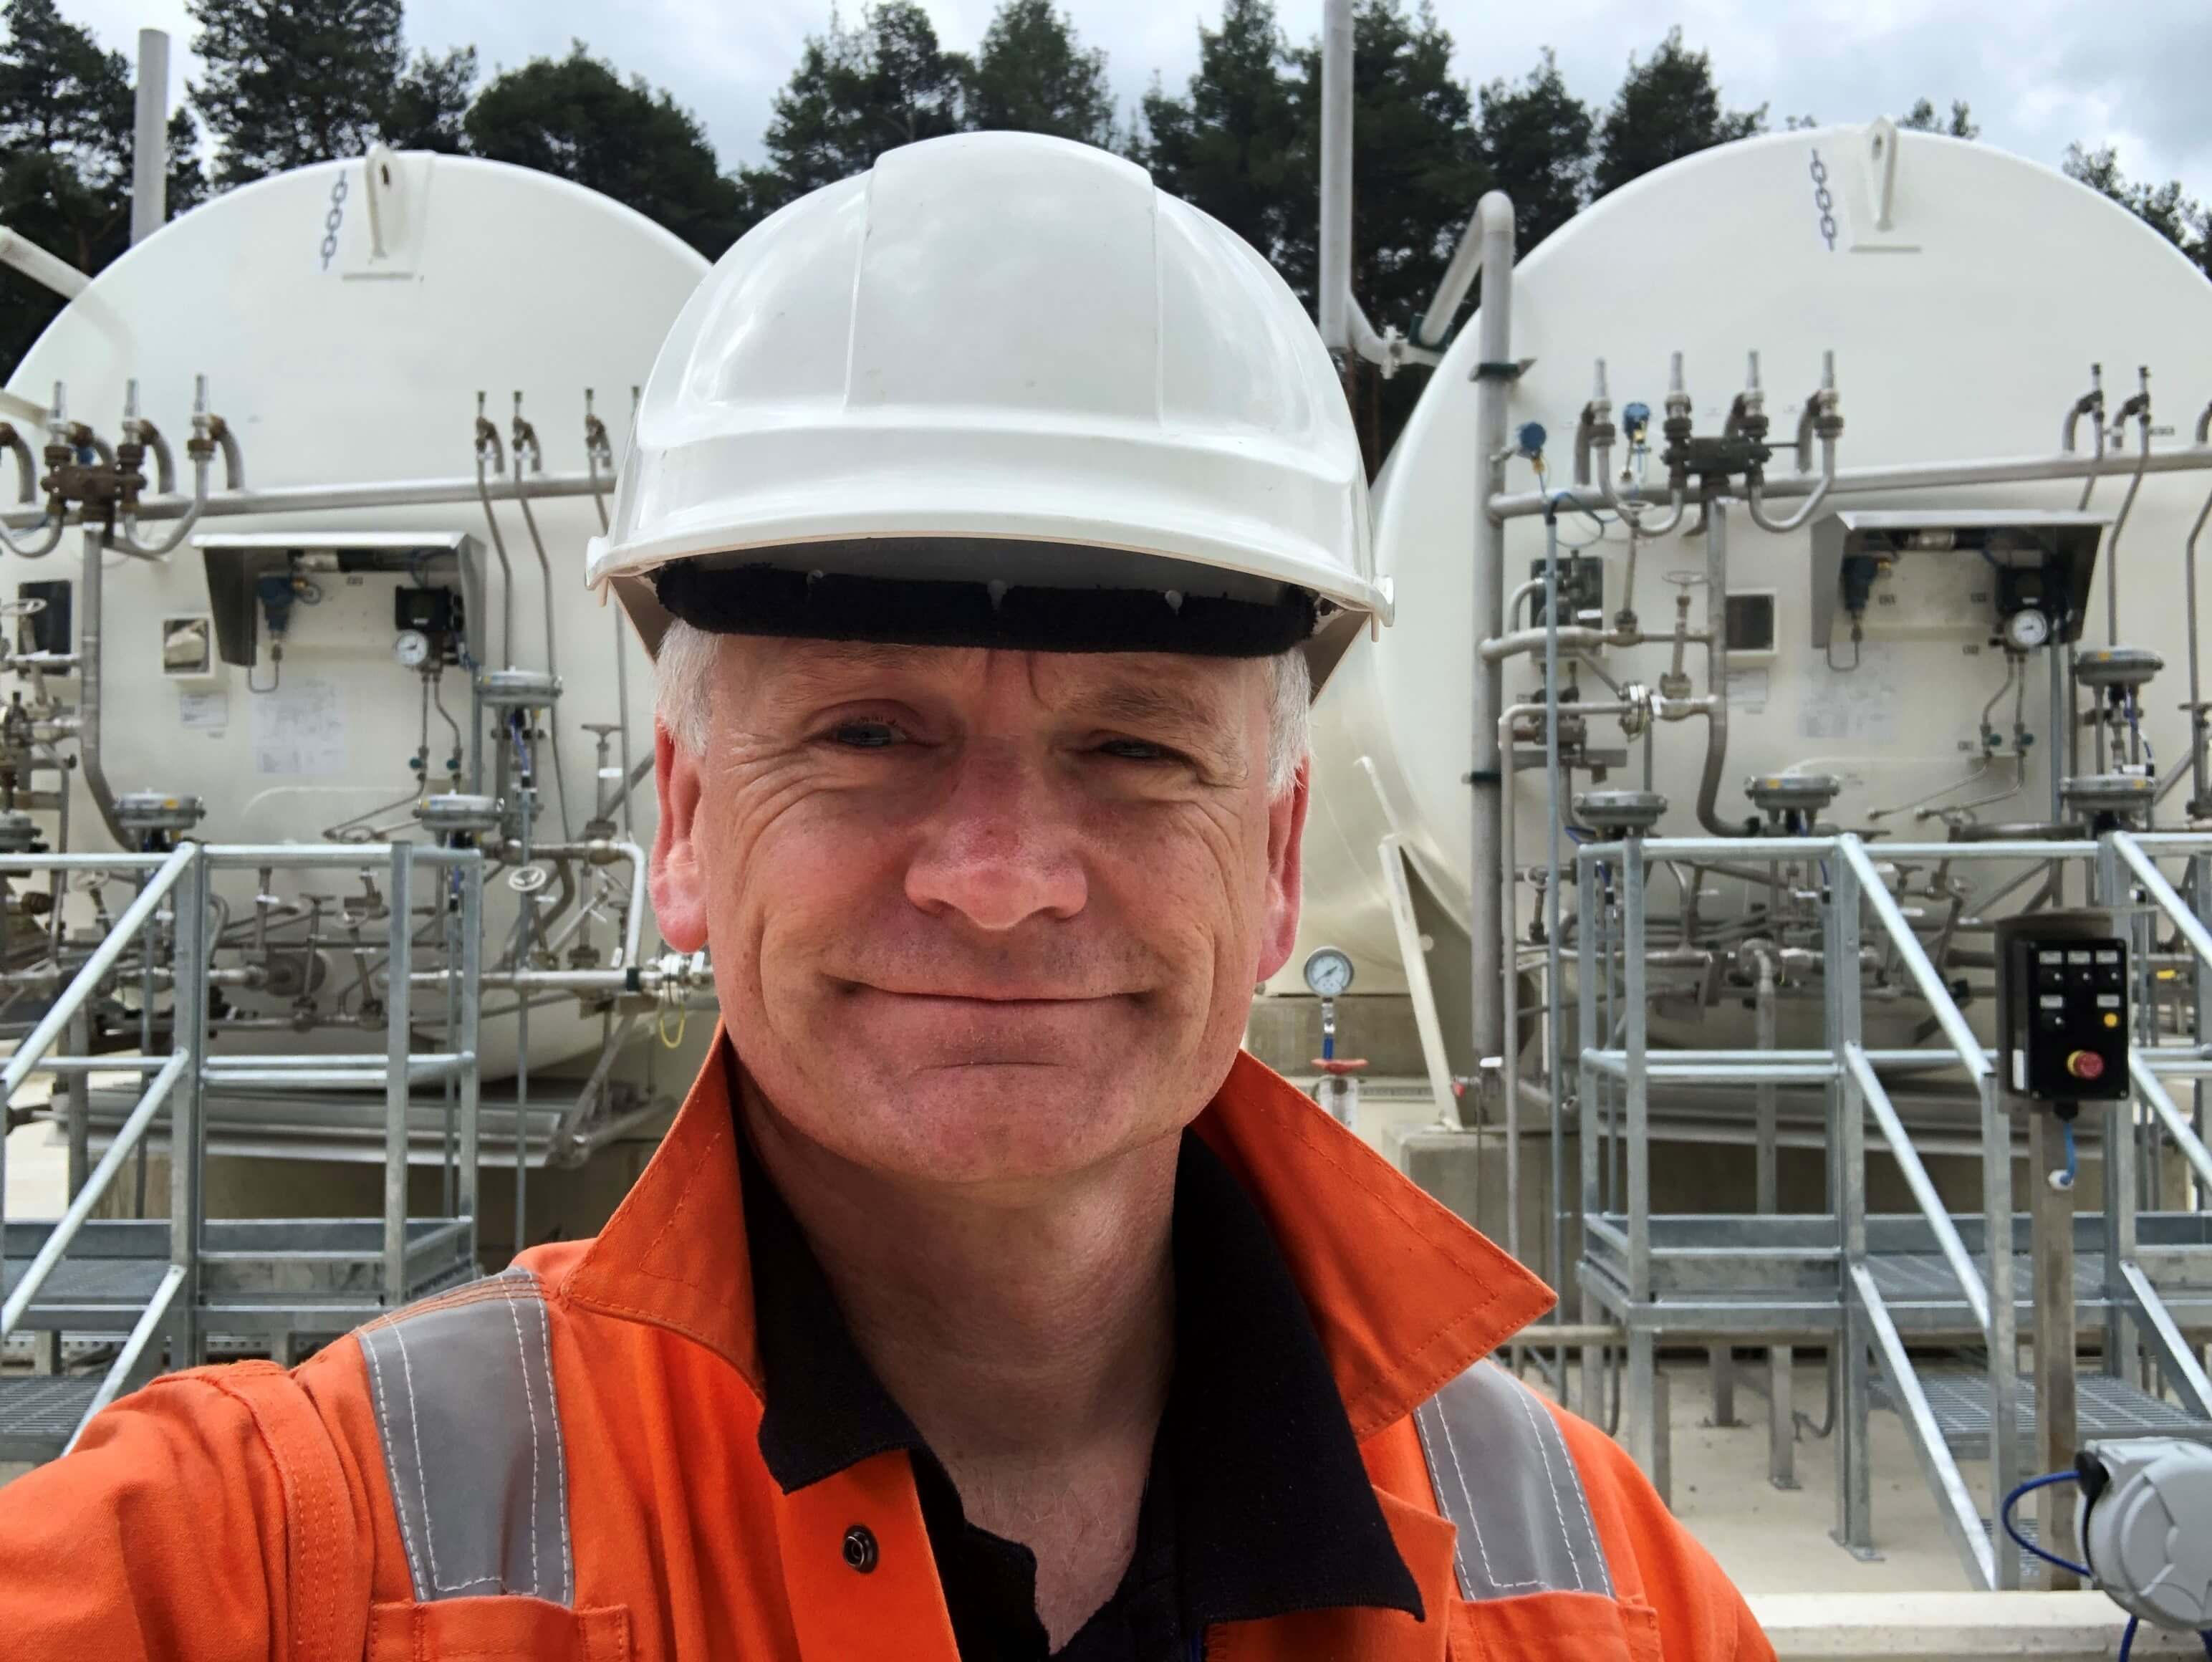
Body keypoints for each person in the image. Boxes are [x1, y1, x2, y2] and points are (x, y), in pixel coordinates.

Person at [0, 132, 1771, 1661]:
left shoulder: (1594, 1586)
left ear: (1280, 852)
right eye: (863, 732)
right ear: (684, 821)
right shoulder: (300, 1546)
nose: (998, 881)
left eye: (1136, 750)